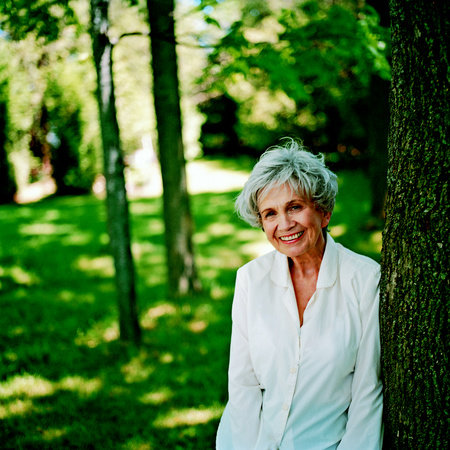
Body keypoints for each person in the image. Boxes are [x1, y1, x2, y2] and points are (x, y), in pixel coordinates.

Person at [216, 139, 383, 449]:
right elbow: (243, 386)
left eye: (294, 206)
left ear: (323, 212)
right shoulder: (250, 280)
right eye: (270, 213)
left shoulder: (365, 280)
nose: (284, 224)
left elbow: (367, 394)